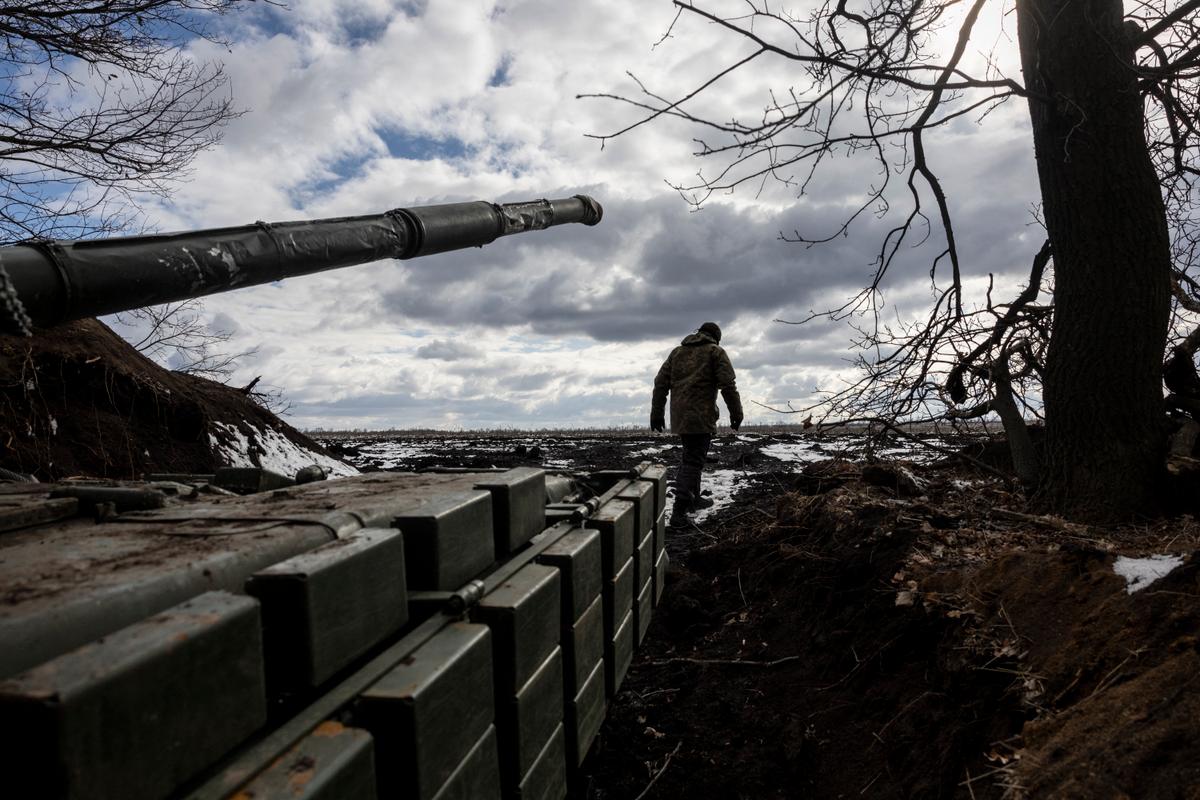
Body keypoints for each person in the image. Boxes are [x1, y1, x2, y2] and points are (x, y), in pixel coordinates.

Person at [650, 321, 743, 527]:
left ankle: (694, 499)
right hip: (701, 417)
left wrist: (656, 413)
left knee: (691, 456)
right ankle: (679, 512)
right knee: (693, 461)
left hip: (681, 417)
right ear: (715, 337)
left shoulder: (677, 353)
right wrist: (737, 413)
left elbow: (660, 384)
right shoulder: (715, 352)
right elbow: (728, 385)